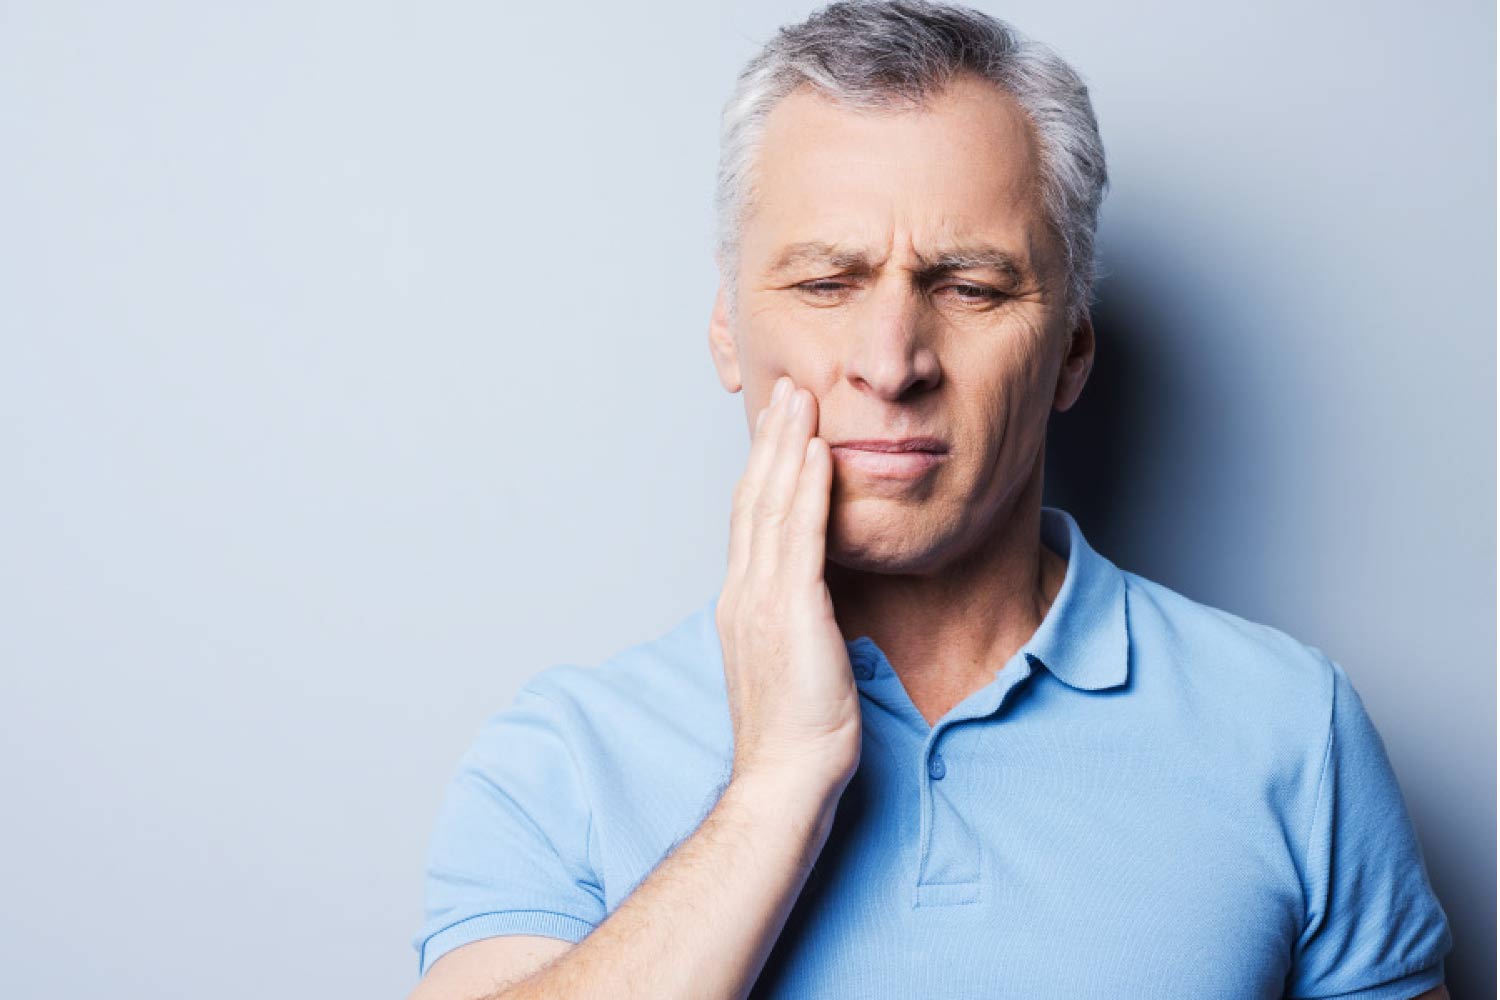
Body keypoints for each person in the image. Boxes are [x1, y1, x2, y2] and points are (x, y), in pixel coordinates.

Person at [407, 2, 1453, 997]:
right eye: (827, 285)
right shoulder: (564, 756)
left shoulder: (1288, 728)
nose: (891, 363)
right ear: (729, 330)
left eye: (969, 287)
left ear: (1071, 350)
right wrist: (777, 785)